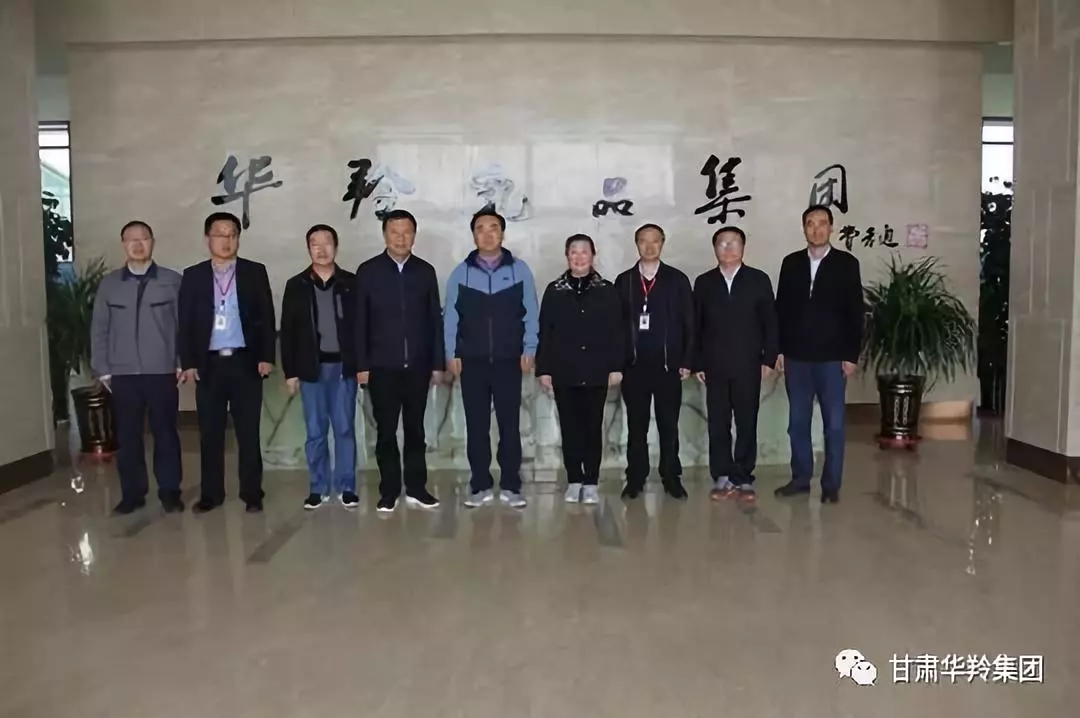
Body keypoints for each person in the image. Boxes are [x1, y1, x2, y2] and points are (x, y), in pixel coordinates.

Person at [178, 211, 276, 514]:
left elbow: (266, 316)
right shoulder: (193, 275)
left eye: (232, 234)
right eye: (220, 234)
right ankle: (211, 494)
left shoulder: (254, 272)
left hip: (246, 361)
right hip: (209, 365)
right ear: (208, 238)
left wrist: (266, 356)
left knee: (248, 432)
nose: (227, 240)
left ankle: (252, 493)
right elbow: (186, 321)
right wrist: (188, 361)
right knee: (210, 433)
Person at [444, 208, 539, 509]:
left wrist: (530, 348)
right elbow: (450, 317)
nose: (487, 234)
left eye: (493, 227)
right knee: (477, 426)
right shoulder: (461, 273)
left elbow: (531, 312)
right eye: (481, 229)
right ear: (473, 235)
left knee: (510, 425)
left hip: (509, 360)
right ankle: (480, 484)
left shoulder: (520, 270)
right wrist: (451, 352)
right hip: (471, 361)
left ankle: (511, 484)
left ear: (502, 233)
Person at [90, 220, 184, 514]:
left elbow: (184, 325)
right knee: (128, 437)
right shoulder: (110, 285)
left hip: (162, 371)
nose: (138, 244)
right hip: (123, 374)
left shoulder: (172, 281)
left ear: (152, 242)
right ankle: (132, 493)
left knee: (166, 433)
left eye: (144, 238)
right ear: (123, 245)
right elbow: (99, 329)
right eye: (131, 239)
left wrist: (182, 362)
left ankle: (170, 491)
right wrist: (103, 369)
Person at [354, 209, 444, 513]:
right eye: (395, 232)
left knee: (416, 430)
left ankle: (417, 487)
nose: (401, 238)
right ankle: (389, 490)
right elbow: (359, 322)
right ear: (385, 235)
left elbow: (434, 320)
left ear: (414, 235)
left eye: (407, 232)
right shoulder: (368, 271)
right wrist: (362, 365)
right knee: (386, 432)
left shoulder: (425, 271)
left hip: (418, 366)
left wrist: (437, 363)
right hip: (382, 367)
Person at [774, 204, 863, 504]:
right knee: (797, 423)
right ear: (804, 228)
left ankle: (831, 485)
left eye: (822, 223)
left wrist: (851, 355)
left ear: (831, 227)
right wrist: (779, 350)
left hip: (832, 358)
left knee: (834, 425)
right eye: (810, 224)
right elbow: (781, 310)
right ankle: (801, 479)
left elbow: (855, 312)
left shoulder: (846, 264)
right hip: (797, 357)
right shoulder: (791, 263)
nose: (816, 229)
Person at [693, 226, 778, 503]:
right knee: (718, 423)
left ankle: (742, 476)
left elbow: (770, 322)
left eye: (733, 243)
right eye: (722, 243)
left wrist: (768, 358)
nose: (728, 248)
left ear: (743, 247)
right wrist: (697, 361)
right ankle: (721, 475)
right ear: (714, 248)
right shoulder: (704, 282)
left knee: (746, 421)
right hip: (714, 364)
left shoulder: (758, 280)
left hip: (748, 363)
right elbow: (696, 325)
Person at [536, 235, 623, 504]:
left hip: (596, 369)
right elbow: (545, 332)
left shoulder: (607, 290)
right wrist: (544, 369)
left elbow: (617, 331)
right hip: (564, 370)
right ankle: (574, 479)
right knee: (570, 428)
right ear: (567, 256)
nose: (579, 257)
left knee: (593, 427)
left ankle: (591, 481)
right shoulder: (554, 290)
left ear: (593, 256)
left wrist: (616, 366)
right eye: (573, 252)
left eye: (584, 251)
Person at [280, 224, 359, 511]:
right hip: (310, 368)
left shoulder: (351, 283)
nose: (322, 249)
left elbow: (361, 327)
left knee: (344, 428)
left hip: (343, 368)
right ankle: (318, 487)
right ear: (308, 248)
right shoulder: (296, 285)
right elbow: (287, 332)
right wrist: (290, 372)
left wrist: (362, 365)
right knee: (315, 431)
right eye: (315, 244)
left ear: (336, 247)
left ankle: (347, 486)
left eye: (327, 243)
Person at [613, 223, 694, 500]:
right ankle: (635, 477)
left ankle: (671, 477)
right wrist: (618, 363)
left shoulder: (677, 280)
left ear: (662, 243)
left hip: (668, 366)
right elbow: (615, 327)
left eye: (655, 241)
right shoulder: (625, 281)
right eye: (643, 241)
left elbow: (689, 323)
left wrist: (687, 360)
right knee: (636, 427)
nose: (649, 246)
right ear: (636, 244)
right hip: (634, 367)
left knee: (668, 426)